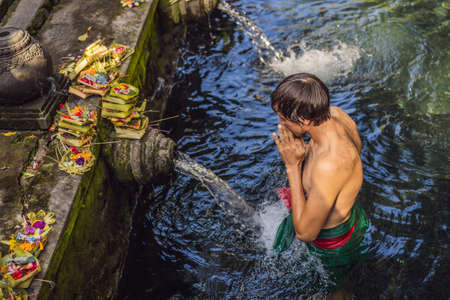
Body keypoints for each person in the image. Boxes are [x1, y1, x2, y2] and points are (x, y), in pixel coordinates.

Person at [271, 73, 369, 299]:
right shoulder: (338, 115)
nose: (280, 124)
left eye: (284, 119)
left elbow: (305, 232)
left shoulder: (328, 165)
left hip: (332, 245)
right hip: (351, 218)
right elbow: (353, 159)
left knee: (335, 292)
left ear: (304, 120)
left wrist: (293, 167)